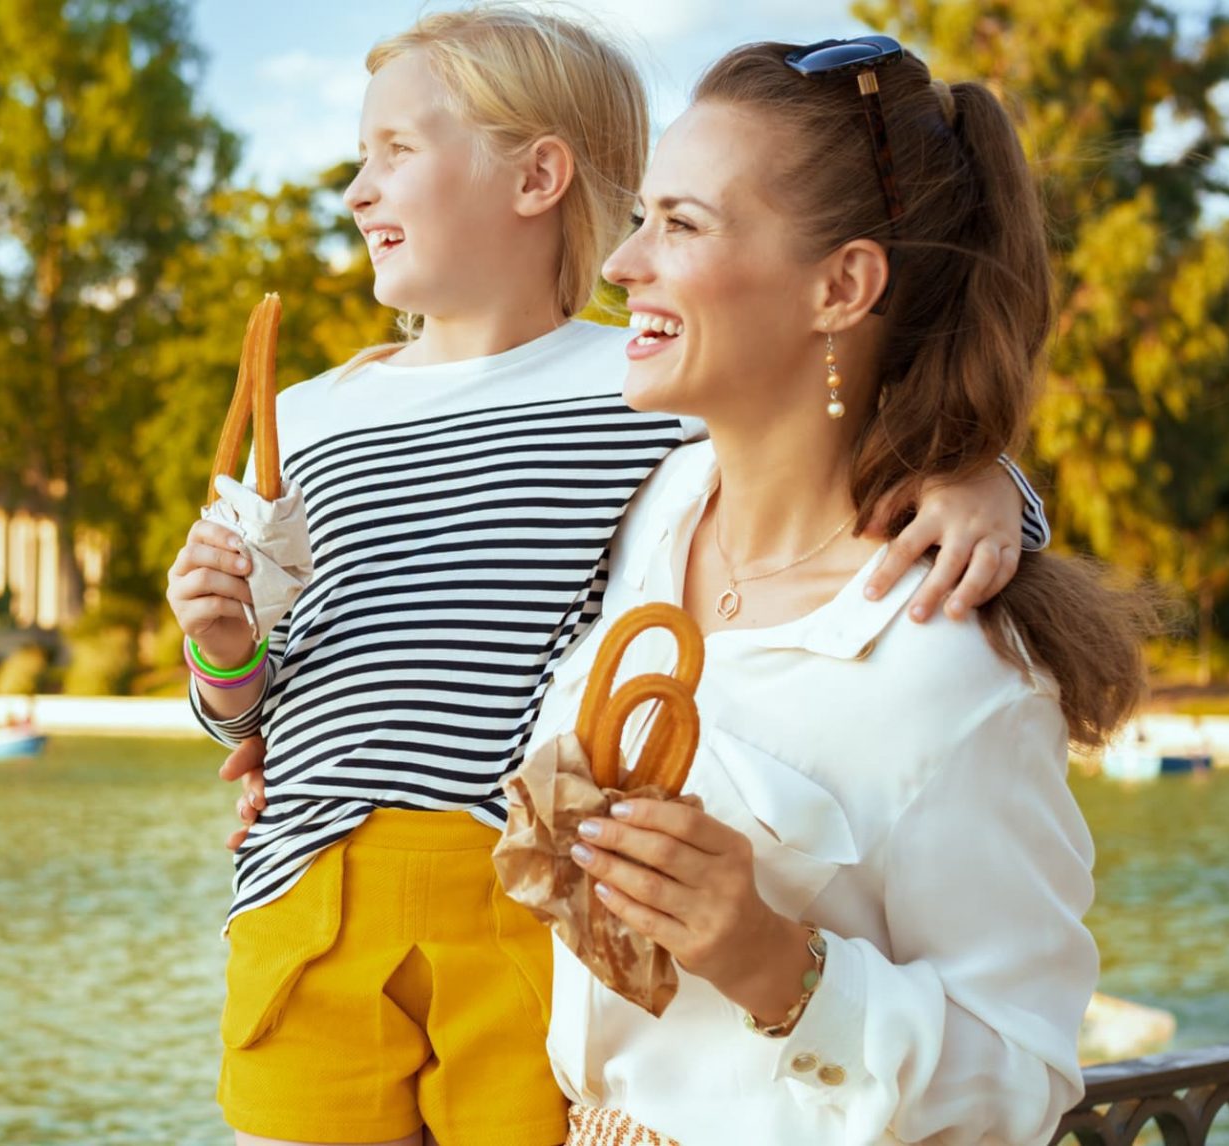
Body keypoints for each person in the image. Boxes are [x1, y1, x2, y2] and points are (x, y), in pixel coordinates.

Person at [164, 10, 1051, 1145]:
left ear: (538, 174)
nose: (357, 189)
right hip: (310, 892)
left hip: (523, 901)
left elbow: (839, 437)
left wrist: (988, 486)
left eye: (395, 150)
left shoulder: (639, 393)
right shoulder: (306, 421)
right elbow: (253, 699)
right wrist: (224, 655)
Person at [523, 36, 1151, 1143]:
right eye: (639, 218)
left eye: (682, 224)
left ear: (842, 285)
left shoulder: (948, 673)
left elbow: (1023, 1085)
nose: (623, 267)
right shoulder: (647, 513)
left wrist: (780, 966)